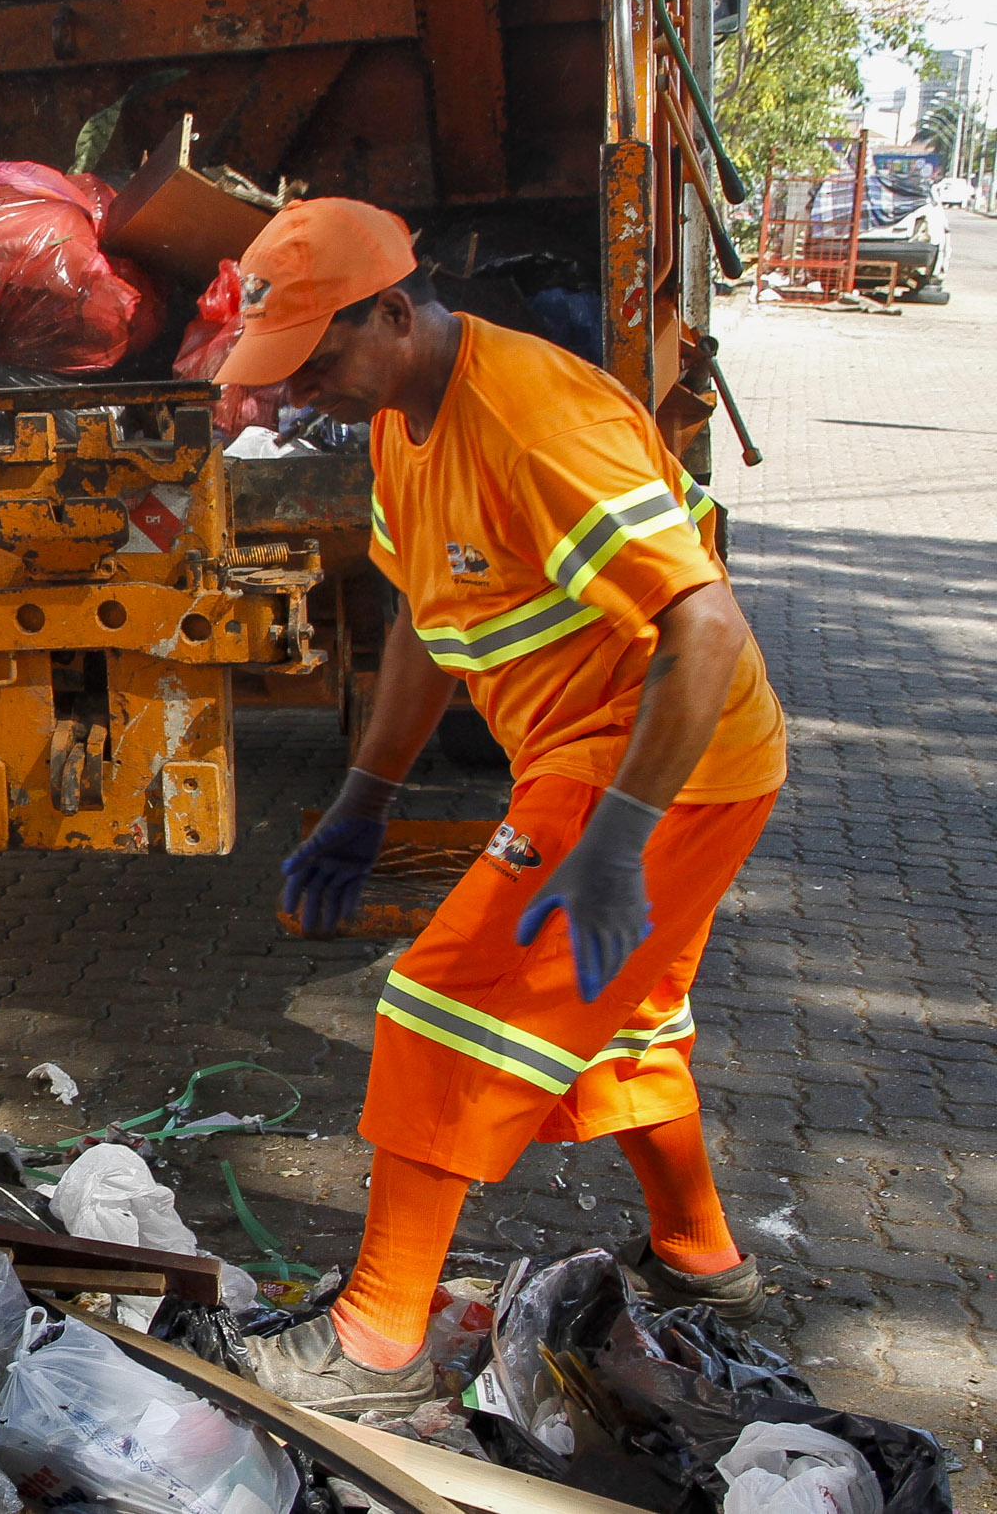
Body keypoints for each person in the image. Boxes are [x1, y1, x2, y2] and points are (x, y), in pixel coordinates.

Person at [219, 199, 786, 1414]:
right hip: (594, 755)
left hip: (656, 756)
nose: (302, 388)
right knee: (621, 1017)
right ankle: (703, 1263)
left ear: (392, 311)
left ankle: (375, 1342)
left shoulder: (530, 420)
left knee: (441, 1005)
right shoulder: (396, 425)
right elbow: (427, 627)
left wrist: (618, 842)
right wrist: (362, 801)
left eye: (318, 356)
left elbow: (703, 623)